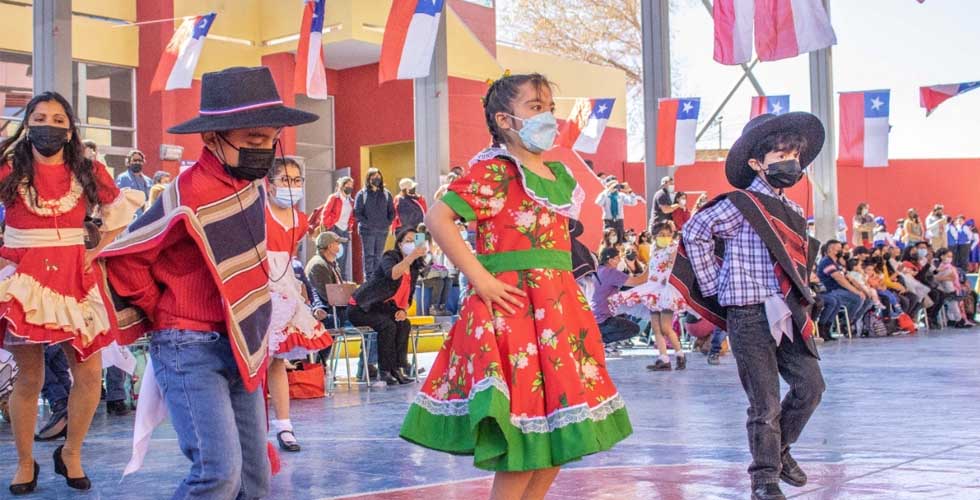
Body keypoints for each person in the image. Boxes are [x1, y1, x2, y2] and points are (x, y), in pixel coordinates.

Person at [400, 72, 631, 500]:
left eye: (550, 108)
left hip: (558, 310)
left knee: (558, 436)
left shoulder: (558, 176)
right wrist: (481, 278)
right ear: (505, 120)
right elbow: (438, 218)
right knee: (523, 440)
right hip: (515, 312)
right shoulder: (496, 170)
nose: (548, 117)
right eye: (535, 107)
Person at [103, 66, 319, 498]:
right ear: (211, 137)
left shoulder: (250, 188)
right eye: (253, 141)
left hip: (242, 341)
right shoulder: (189, 191)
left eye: (271, 140)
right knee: (217, 474)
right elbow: (126, 259)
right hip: (189, 346)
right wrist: (166, 309)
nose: (264, 150)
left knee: (255, 480)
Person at [673, 112, 826, 500]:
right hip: (748, 312)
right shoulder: (742, 204)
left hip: (787, 310)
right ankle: (764, 479)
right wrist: (713, 284)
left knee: (810, 386)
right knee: (765, 402)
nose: (791, 162)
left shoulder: (793, 212)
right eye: (781, 155)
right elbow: (695, 230)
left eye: (794, 155)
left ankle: (780, 450)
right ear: (758, 163)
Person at [0, 91, 144, 494]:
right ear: (27, 124)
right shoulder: (8, 167)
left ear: (69, 129)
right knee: (30, 375)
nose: (49, 125)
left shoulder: (87, 169)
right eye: (40, 118)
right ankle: (24, 462)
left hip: (75, 274)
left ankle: (72, 452)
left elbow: (120, 214)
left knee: (90, 372)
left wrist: (96, 251)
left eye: (58, 119)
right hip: (24, 276)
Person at [264, 158, 333, 453]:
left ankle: (284, 425)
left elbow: (288, 257)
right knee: (255, 359)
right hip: (256, 284)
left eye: (296, 180)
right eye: (285, 179)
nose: (291, 186)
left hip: (284, 287)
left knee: (277, 359)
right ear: (269, 184)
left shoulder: (300, 220)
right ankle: (252, 426)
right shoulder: (258, 211)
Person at [347, 226, 426, 385]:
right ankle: (385, 370)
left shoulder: (414, 268)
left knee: (403, 323)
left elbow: (409, 296)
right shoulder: (390, 256)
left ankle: (398, 367)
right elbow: (393, 274)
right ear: (400, 244)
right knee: (388, 326)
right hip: (362, 307)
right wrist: (410, 257)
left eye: (414, 241)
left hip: (384, 308)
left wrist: (403, 310)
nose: (411, 244)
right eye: (408, 241)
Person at [609, 222, 687, 371]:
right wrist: (633, 284)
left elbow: (672, 265)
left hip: (665, 291)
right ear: (655, 236)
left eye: (667, 235)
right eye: (661, 235)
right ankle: (663, 358)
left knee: (666, 327)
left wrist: (668, 278)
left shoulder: (672, 248)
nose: (665, 237)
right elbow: (646, 274)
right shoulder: (654, 250)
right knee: (656, 328)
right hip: (652, 291)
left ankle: (680, 355)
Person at [590, 247, 647, 345]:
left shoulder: (598, 270)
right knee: (634, 329)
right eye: (617, 258)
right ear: (610, 260)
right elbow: (639, 281)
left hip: (594, 316)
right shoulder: (610, 272)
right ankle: (600, 342)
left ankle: (598, 341)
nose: (620, 260)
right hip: (602, 320)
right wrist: (652, 266)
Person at [311, 176, 355, 279]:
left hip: (344, 230)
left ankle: (341, 279)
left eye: (351, 186)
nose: (350, 188)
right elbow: (325, 214)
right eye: (347, 185)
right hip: (334, 228)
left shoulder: (351, 201)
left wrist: (349, 228)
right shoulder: (334, 198)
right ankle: (331, 278)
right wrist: (330, 225)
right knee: (332, 255)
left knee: (343, 257)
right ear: (342, 186)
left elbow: (351, 216)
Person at [354, 167, 395, 279]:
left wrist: (386, 223)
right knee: (369, 256)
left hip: (382, 230)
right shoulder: (362, 194)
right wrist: (368, 224)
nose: (377, 178)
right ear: (368, 178)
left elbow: (392, 211)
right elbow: (357, 212)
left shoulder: (386, 194)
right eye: (373, 176)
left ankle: (377, 279)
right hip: (367, 231)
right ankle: (369, 279)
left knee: (379, 256)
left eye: (378, 176)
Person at [306, 230, 351, 324]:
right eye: (337, 243)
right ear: (330, 246)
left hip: (335, 306)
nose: (339, 246)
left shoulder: (332, 263)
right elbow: (327, 295)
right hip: (325, 309)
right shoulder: (318, 265)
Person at [595, 176, 640, 241]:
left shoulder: (621, 195)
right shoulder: (605, 194)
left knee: (619, 241)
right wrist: (608, 190)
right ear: (607, 185)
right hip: (608, 221)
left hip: (619, 221)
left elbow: (633, 203)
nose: (614, 186)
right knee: (608, 241)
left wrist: (630, 191)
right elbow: (598, 203)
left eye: (615, 184)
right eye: (611, 184)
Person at [114, 149, 152, 218]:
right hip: (129, 217)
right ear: (128, 162)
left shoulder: (148, 181)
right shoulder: (123, 178)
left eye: (140, 160)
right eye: (134, 160)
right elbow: (118, 198)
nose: (137, 162)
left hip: (145, 217)